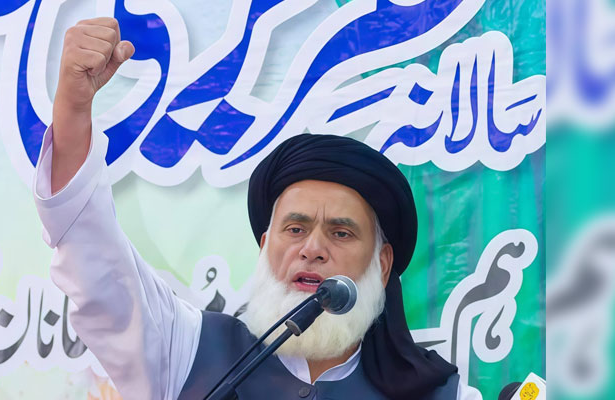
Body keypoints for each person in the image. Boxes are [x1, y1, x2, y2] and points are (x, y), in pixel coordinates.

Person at [34, 17, 481, 400]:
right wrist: (73, 108)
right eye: (295, 229)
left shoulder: (442, 394)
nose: (312, 249)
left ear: (382, 264)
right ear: (266, 244)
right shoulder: (186, 348)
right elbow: (95, 255)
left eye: (341, 233)